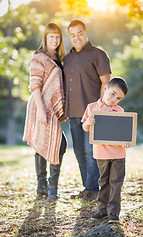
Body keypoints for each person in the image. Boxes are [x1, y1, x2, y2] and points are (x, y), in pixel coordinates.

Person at [63, 20, 111, 201]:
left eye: (80, 33)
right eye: (72, 35)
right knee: (79, 153)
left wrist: (101, 109)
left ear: (86, 33)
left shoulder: (98, 54)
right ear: (70, 37)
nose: (77, 37)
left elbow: (106, 84)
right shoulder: (67, 59)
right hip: (73, 113)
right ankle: (88, 189)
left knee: (92, 153)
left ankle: (94, 189)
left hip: (92, 114)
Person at [23, 22, 67, 199]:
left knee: (58, 145)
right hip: (40, 106)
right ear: (45, 37)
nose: (55, 39)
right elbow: (35, 85)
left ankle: (47, 187)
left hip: (53, 109)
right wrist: (41, 110)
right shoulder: (38, 57)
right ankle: (46, 186)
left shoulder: (60, 58)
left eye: (58, 36)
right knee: (48, 144)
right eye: (51, 36)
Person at [82, 77, 132, 222]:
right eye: (112, 94)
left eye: (118, 98)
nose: (114, 99)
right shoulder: (92, 108)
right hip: (101, 154)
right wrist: (88, 122)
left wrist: (128, 142)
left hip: (118, 154)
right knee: (103, 182)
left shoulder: (120, 110)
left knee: (116, 183)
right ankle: (102, 210)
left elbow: (125, 133)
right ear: (105, 89)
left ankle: (114, 213)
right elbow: (85, 127)